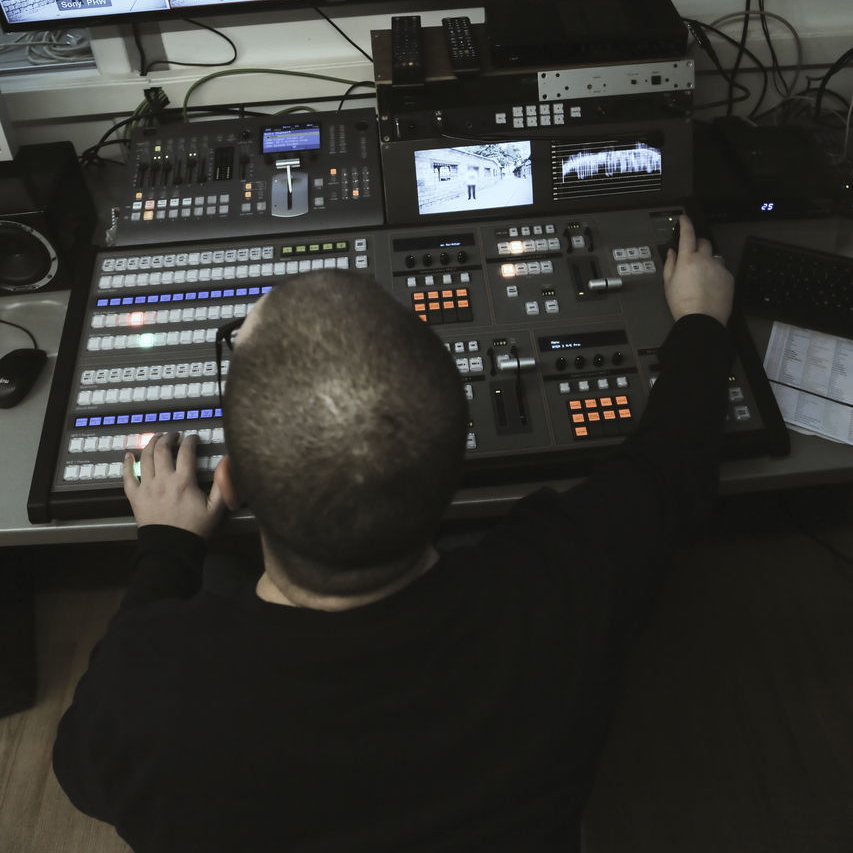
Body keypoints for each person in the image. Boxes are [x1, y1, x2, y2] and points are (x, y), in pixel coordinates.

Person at [53, 215, 734, 853]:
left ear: (231, 484)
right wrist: (700, 320)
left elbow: (81, 776)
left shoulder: (146, 694)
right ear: (455, 469)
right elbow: (671, 464)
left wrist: (168, 548)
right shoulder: (566, 584)